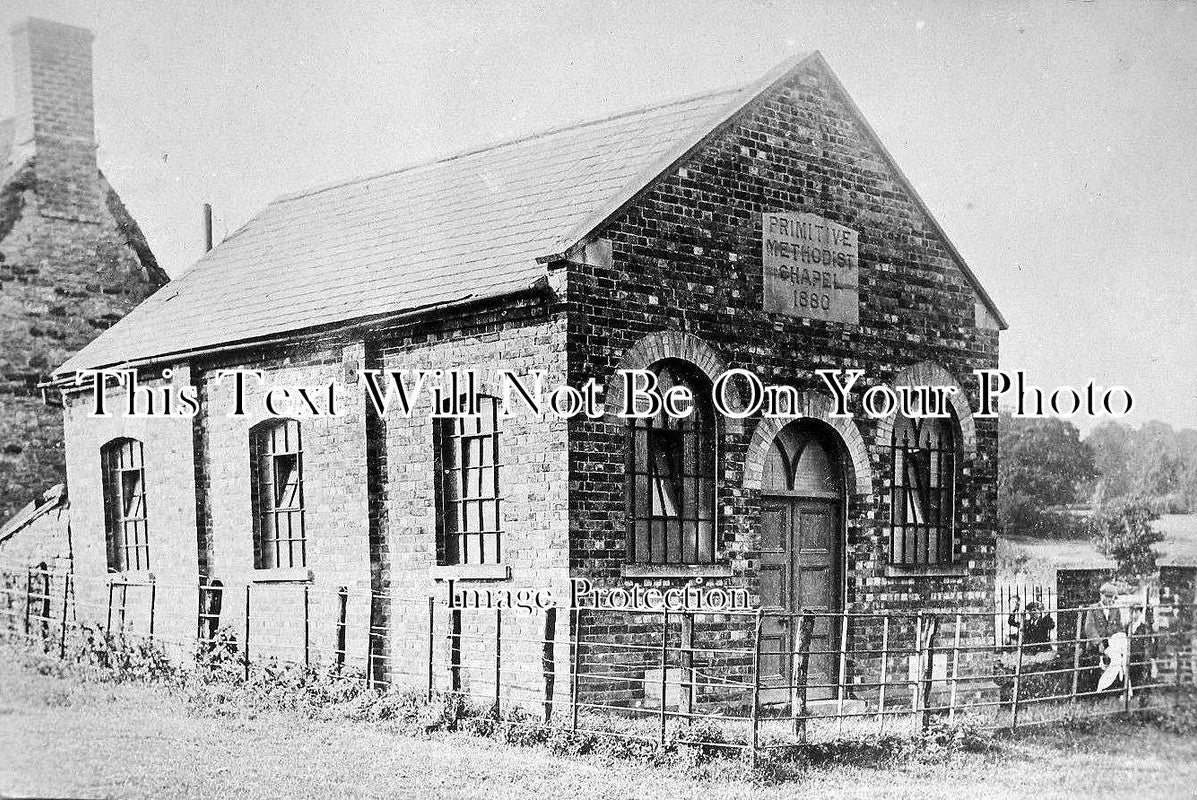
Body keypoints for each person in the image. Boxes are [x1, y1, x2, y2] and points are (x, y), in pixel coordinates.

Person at [1081, 581, 1126, 693]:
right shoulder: (1093, 608)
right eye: (1107, 596)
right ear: (1101, 595)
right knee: (1110, 660)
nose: (1109, 599)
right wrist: (1098, 642)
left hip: (1112, 643)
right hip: (1097, 643)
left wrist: (1118, 640)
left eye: (1112, 597)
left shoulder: (1115, 609)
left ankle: (1111, 687)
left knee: (1120, 659)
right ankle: (1099, 687)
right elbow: (1089, 628)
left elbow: (1120, 627)